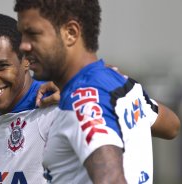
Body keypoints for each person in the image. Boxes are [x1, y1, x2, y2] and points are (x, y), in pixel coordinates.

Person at [14, 0, 180, 183]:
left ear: (71, 33)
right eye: (22, 35)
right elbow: (172, 126)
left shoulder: (83, 103)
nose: (23, 46)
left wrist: (83, 100)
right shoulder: (117, 82)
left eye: (33, 34)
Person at [0, 13, 59, 184]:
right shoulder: (2, 116)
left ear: (27, 59)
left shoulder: (57, 105)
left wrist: (86, 82)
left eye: (1, 66)